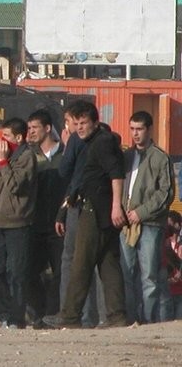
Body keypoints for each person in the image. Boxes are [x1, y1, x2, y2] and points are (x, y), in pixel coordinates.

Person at [46, 100, 128, 329]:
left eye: (84, 123)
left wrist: (116, 206)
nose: (79, 128)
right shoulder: (99, 141)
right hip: (101, 210)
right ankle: (117, 316)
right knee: (108, 263)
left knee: (80, 262)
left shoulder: (101, 143)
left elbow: (116, 174)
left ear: (96, 122)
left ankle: (70, 316)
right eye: (77, 123)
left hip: (96, 210)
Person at [119, 110, 173, 324]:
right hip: (126, 225)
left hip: (149, 223)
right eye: (132, 129)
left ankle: (148, 321)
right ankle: (131, 319)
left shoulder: (160, 157)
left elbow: (165, 193)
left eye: (139, 129)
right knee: (126, 274)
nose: (135, 134)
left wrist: (140, 212)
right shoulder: (126, 156)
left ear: (149, 130)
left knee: (149, 276)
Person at [0, 117, 37, 329]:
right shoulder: (4, 156)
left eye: (6, 136)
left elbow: (16, 185)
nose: (2, 140)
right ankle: (5, 314)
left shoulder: (26, 157)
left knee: (16, 273)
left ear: (18, 137)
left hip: (18, 224)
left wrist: (5, 162)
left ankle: (16, 318)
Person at [26, 110, 66, 328]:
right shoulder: (30, 157)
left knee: (60, 271)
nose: (30, 132)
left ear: (48, 128)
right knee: (30, 271)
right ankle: (38, 312)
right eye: (29, 128)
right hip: (35, 224)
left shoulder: (65, 154)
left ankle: (53, 314)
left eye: (34, 128)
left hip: (59, 225)